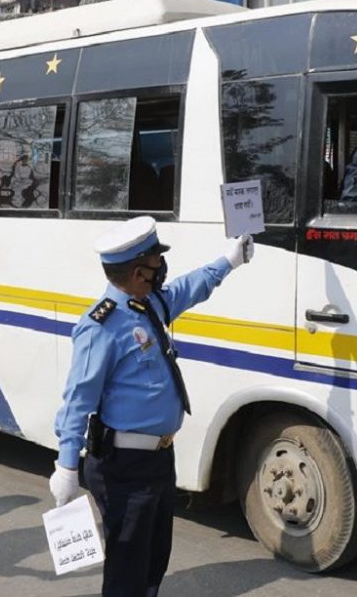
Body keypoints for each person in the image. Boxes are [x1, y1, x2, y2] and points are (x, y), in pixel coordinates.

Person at [49, 216, 253, 597]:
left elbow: (190, 288)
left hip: (159, 459)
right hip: (124, 466)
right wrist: (65, 463)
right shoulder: (102, 326)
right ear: (138, 270)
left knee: (154, 561)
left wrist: (229, 261)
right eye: (156, 260)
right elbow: (78, 399)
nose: (162, 267)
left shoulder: (148, 305)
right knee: (128, 569)